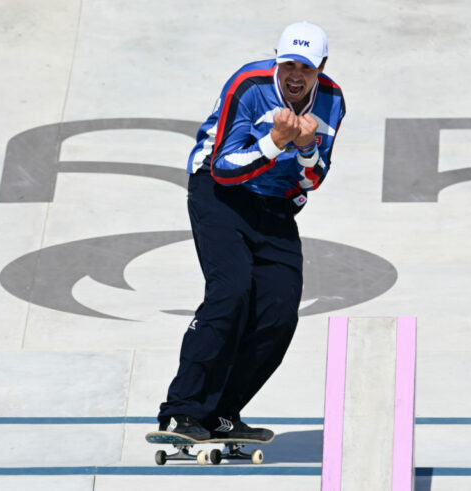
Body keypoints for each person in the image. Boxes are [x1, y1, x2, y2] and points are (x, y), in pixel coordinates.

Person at [157, 21, 346, 441]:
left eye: (306, 68)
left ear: (322, 68)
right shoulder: (248, 84)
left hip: (275, 205)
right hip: (219, 193)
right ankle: (182, 410)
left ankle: (223, 413)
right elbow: (223, 168)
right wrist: (276, 142)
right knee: (231, 293)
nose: (295, 75)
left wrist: (306, 147)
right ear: (277, 60)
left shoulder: (332, 100)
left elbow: (313, 179)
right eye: (289, 64)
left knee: (279, 312)